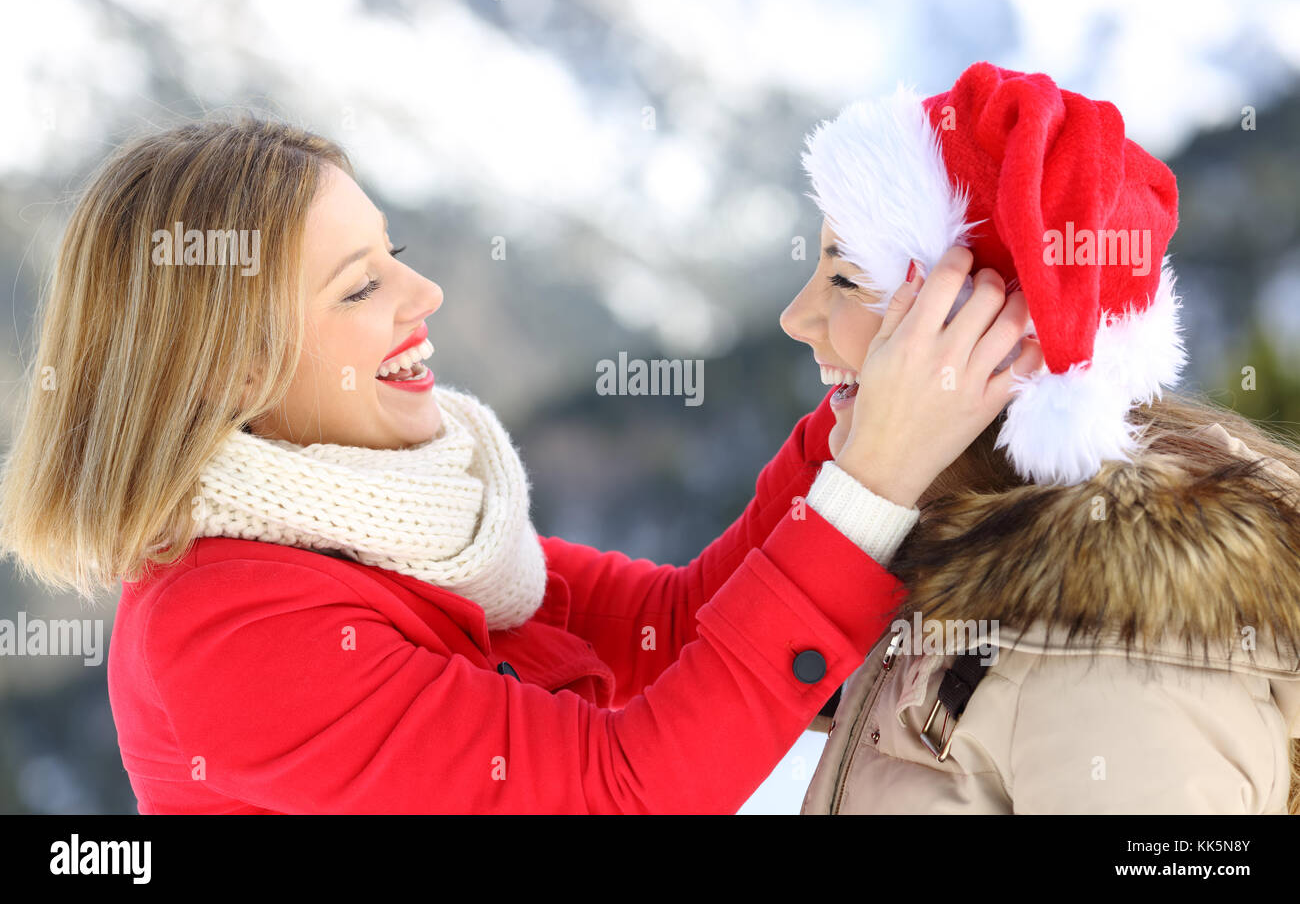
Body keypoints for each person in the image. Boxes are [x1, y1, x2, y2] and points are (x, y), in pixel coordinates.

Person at [0, 109, 1040, 813]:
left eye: (394, 257)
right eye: (360, 289)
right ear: (227, 370)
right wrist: (869, 486)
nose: (425, 298)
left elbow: (671, 629)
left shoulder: (395, 518)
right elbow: (619, 791)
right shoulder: (227, 629)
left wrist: (858, 421)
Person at [789, 61, 1300, 813]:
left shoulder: (1120, 660)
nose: (794, 318)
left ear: (990, 330)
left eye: (844, 278)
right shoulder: (947, 549)